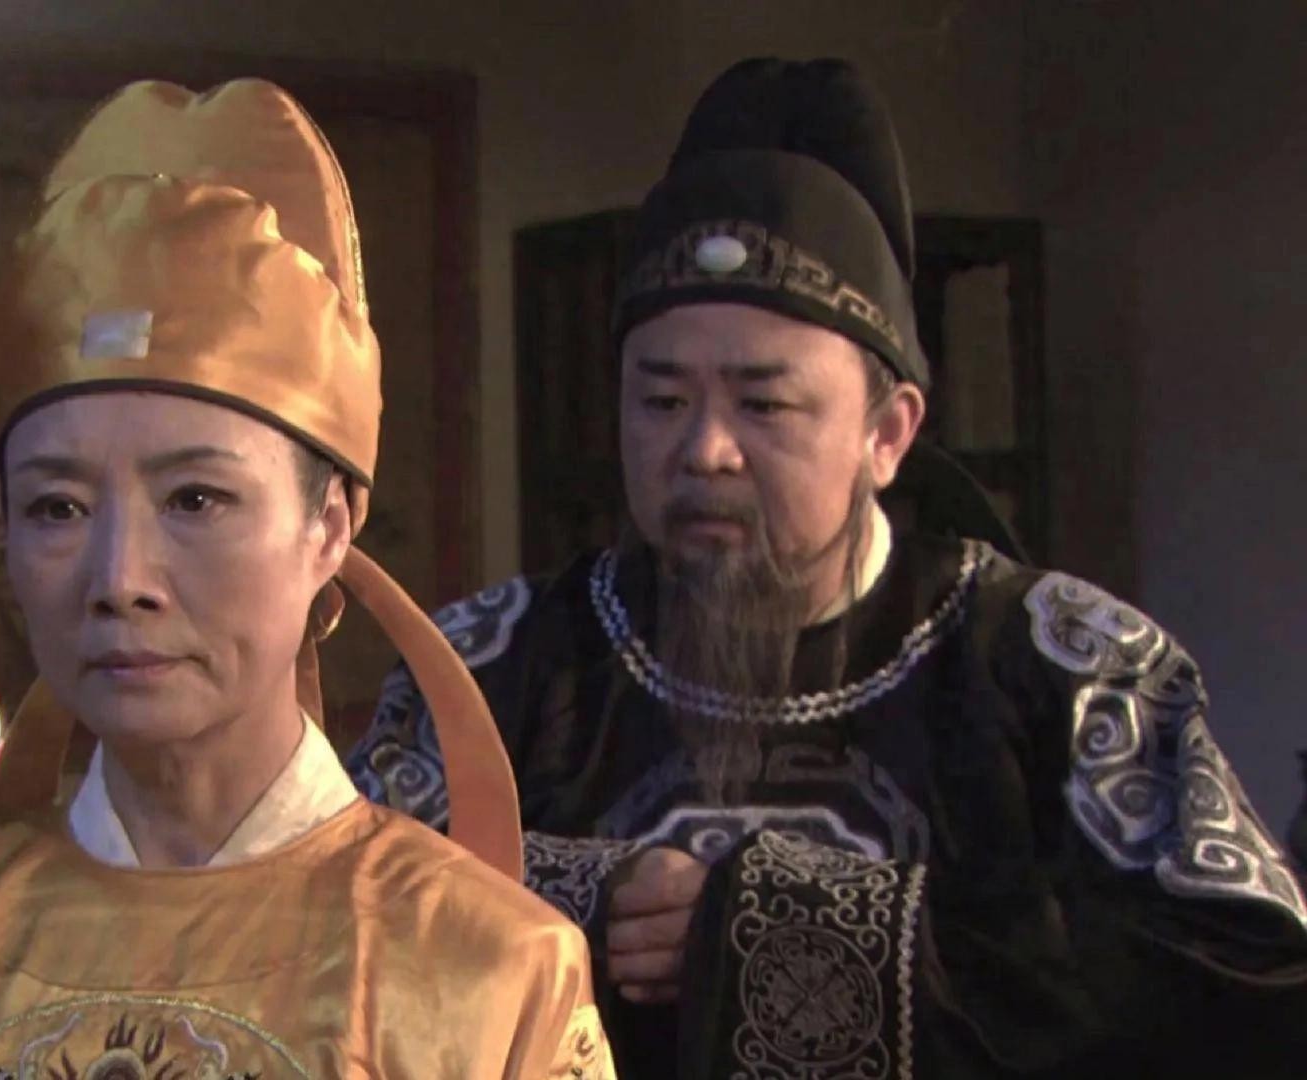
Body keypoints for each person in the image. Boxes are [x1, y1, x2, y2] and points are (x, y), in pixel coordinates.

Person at [349, 57, 1307, 1077]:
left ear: (887, 434)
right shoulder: (486, 669)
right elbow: (330, 917)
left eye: (763, 404)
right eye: (661, 401)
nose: (705, 450)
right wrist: (589, 900)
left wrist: (770, 930)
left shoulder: (1068, 672)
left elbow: (1255, 982)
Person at [0, 78, 613, 1079]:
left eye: (196, 499)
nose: (119, 579)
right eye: (57, 508)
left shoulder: (484, 974)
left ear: (328, 528)